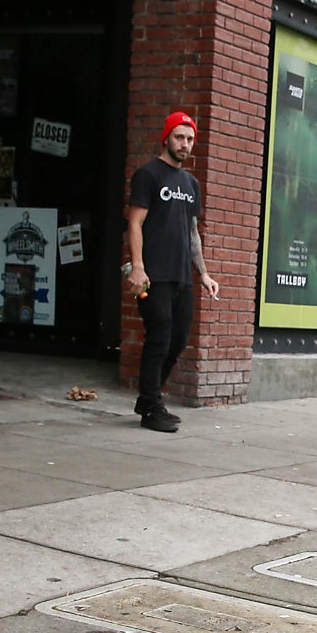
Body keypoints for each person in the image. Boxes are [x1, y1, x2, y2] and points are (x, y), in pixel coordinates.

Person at [125, 111, 218, 432]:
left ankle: (149, 398)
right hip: (154, 275)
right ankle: (151, 408)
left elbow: (192, 232)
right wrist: (137, 267)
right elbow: (135, 223)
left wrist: (203, 273)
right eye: (179, 137)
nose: (185, 144)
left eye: (190, 138)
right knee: (159, 339)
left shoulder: (191, 183)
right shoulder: (148, 175)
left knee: (178, 341)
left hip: (182, 277)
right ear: (166, 138)